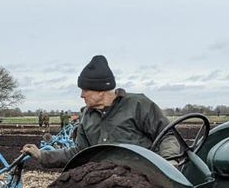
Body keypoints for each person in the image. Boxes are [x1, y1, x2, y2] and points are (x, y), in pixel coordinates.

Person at [21, 55, 178, 168]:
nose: (81, 95)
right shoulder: (87, 117)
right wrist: (42, 155)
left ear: (101, 91)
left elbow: (166, 135)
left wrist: (170, 164)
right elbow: (78, 153)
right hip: (105, 182)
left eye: (85, 90)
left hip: (142, 177)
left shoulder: (138, 105)